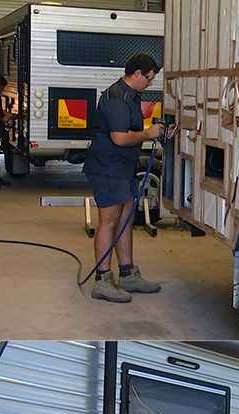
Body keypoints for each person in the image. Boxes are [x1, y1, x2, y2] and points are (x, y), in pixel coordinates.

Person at [82, 53, 165, 303]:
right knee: (108, 220)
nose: (150, 83)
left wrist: (155, 130)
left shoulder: (130, 95)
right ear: (137, 73)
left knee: (125, 217)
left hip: (122, 167)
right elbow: (119, 137)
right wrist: (148, 133)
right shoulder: (117, 98)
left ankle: (127, 274)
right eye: (149, 78)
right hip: (108, 167)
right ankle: (103, 280)